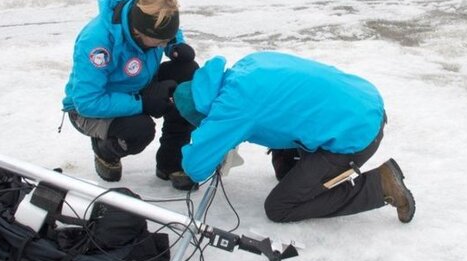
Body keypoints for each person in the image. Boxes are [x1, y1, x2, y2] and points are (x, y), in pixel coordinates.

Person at [170, 51, 415, 224]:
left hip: (356, 133)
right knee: (285, 165)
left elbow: (196, 167)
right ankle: (301, 172)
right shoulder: (247, 65)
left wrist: (203, 151)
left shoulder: (231, 109)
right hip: (364, 99)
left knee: (280, 207)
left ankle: (379, 186)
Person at [62, 0, 199, 188]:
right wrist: (142, 103)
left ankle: (171, 162)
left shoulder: (147, 17)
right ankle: (105, 150)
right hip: (89, 109)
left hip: (137, 84)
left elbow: (170, 32)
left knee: (186, 73)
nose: (163, 44)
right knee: (139, 130)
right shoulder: (97, 42)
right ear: (139, 31)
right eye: (161, 41)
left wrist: (175, 46)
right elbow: (87, 101)